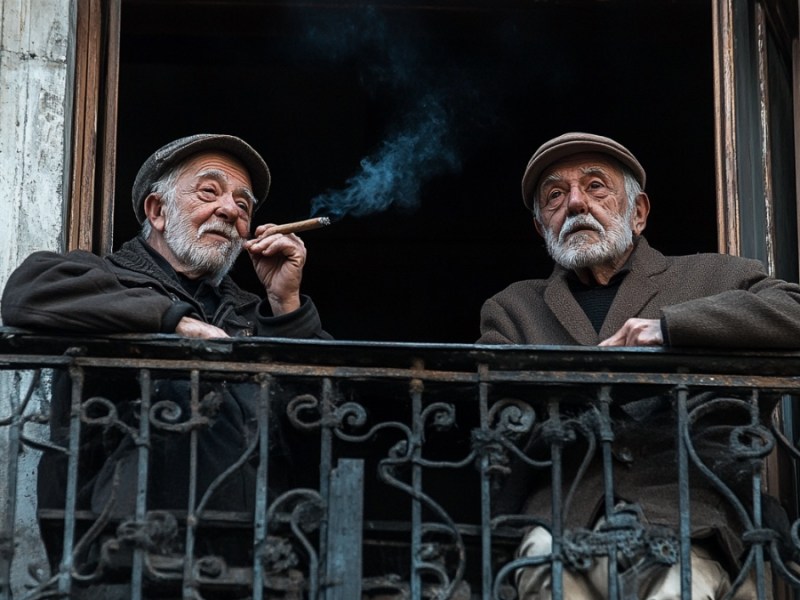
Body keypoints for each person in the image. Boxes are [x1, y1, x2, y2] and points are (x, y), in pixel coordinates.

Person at [1, 134, 330, 591]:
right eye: (209, 192)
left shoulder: (256, 315)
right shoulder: (107, 277)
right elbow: (25, 294)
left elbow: (325, 421)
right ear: (157, 211)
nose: (230, 210)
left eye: (243, 204)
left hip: (253, 564)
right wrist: (173, 322)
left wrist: (286, 303)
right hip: (124, 557)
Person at [479, 132, 800, 599]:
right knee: (547, 581)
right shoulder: (511, 308)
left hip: (692, 517)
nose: (574, 204)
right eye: (554, 195)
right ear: (540, 226)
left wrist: (670, 329)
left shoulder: (715, 276)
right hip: (564, 520)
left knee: (678, 589)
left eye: (595, 187)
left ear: (639, 212)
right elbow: (502, 429)